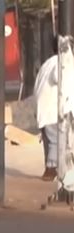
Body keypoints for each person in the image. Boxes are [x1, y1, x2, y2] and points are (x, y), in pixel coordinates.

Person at [33, 38, 72, 182]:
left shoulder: (48, 63)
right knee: (57, 142)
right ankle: (50, 173)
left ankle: (56, 173)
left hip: (43, 110)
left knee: (51, 144)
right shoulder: (62, 63)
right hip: (53, 111)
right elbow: (59, 78)